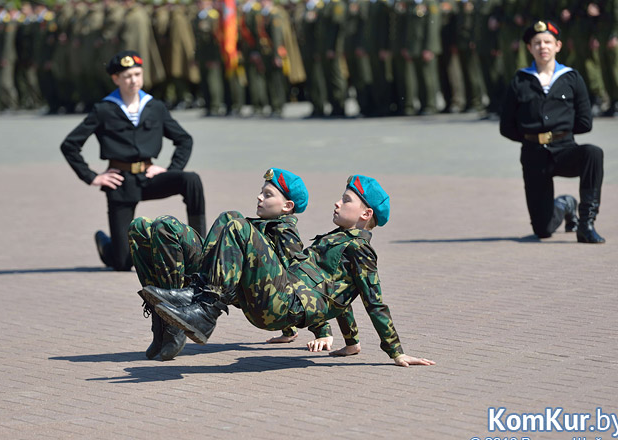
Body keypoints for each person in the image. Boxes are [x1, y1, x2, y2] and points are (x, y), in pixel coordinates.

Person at [145, 175, 435, 367]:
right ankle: (194, 300)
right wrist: (352, 343)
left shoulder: (360, 249)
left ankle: (205, 311)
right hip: (278, 300)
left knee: (235, 223)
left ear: (365, 214)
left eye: (346, 200)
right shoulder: (335, 240)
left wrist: (395, 350)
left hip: (286, 305)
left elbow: (372, 300)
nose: (337, 202)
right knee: (229, 220)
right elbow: (341, 296)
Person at [129, 168, 340, 360]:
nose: (259, 197)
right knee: (148, 227)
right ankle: (164, 320)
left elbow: (294, 281)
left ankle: (182, 321)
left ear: (287, 206)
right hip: (211, 276)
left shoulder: (285, 234)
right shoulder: (248, 223)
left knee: (233, 220)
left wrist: (321, 330)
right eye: (261, 192)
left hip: (237, 286)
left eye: (268, 195)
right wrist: (289, 332)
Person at [60, 50, 206, 272]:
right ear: (116, 79)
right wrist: (92, 177)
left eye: (137, 74)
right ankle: (107, 245)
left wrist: (170, 169)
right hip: (121, 182)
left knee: (191, 180)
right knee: (122, 263)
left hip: (150, 177)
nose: (133, 80)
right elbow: (70, 144)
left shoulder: (155, 107)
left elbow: (184, 139)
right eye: (127, 76)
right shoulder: (104, 109)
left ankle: (199, 248)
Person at [500, 20, 606, 244]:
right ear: (529, 48)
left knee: (593, 153)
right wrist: (532, 136)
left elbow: (585, 122)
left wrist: (560, 133)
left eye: (548, 42)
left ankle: (586, 224)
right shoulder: (520, 80)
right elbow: (506, 126)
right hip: (534, 156)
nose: (543, 47)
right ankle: (565, 204)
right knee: (543, 230)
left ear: (558, 46)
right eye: (537, 43)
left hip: (564, 150)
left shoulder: (571, 78)